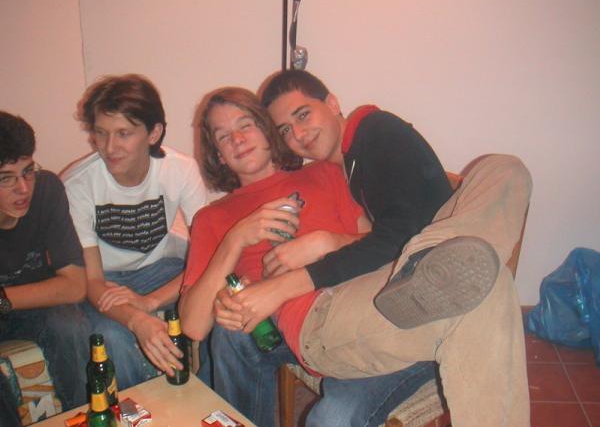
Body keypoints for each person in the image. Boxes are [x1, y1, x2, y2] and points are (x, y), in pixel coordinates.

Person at [212, 70, 532, 426]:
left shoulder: (375, 131)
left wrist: (314, 255)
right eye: (286, 130)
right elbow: (385, 238)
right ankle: (430, 262)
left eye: (303, 115)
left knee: (503, 169)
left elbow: (403, 230)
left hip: (410, 267)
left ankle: (427, 260)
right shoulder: (340, 170)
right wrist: (327, 243)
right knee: (492, 280)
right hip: (392, 283)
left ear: (332, 103)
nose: (298, 134)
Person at [179, 87, 437, 427]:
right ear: (219, 155)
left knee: (330, 418)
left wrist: (327, 243)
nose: (238, 140)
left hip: (362, 312)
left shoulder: (325, 173)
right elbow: (194, 327)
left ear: (268, 130)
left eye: (246, 125)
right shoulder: (212, 218)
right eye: (224, 136)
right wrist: (236, 238)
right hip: (292, 328)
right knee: (231, 328)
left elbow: (382, 245)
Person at [61, 74, 208, 390]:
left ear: (154, 133)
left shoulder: (180, 169)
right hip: (106, 282)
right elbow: (91, 281)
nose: (109, 147)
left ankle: (206, 399)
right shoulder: (77, 184)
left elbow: (206, 258)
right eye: (101, 133)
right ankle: (142, 411)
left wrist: (149, 301)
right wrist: (137, 319)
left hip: (161, 270)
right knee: (112, 336)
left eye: (123, 134)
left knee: (211, 301)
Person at [0, 111, 90, 425]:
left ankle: (84, 417)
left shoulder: (47, 189)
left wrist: (3, 299)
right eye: (6, 178)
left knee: (69, 326)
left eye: (28, 171)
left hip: (33, 305)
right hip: (30, 297)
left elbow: (75, 285)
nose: (23, 188)